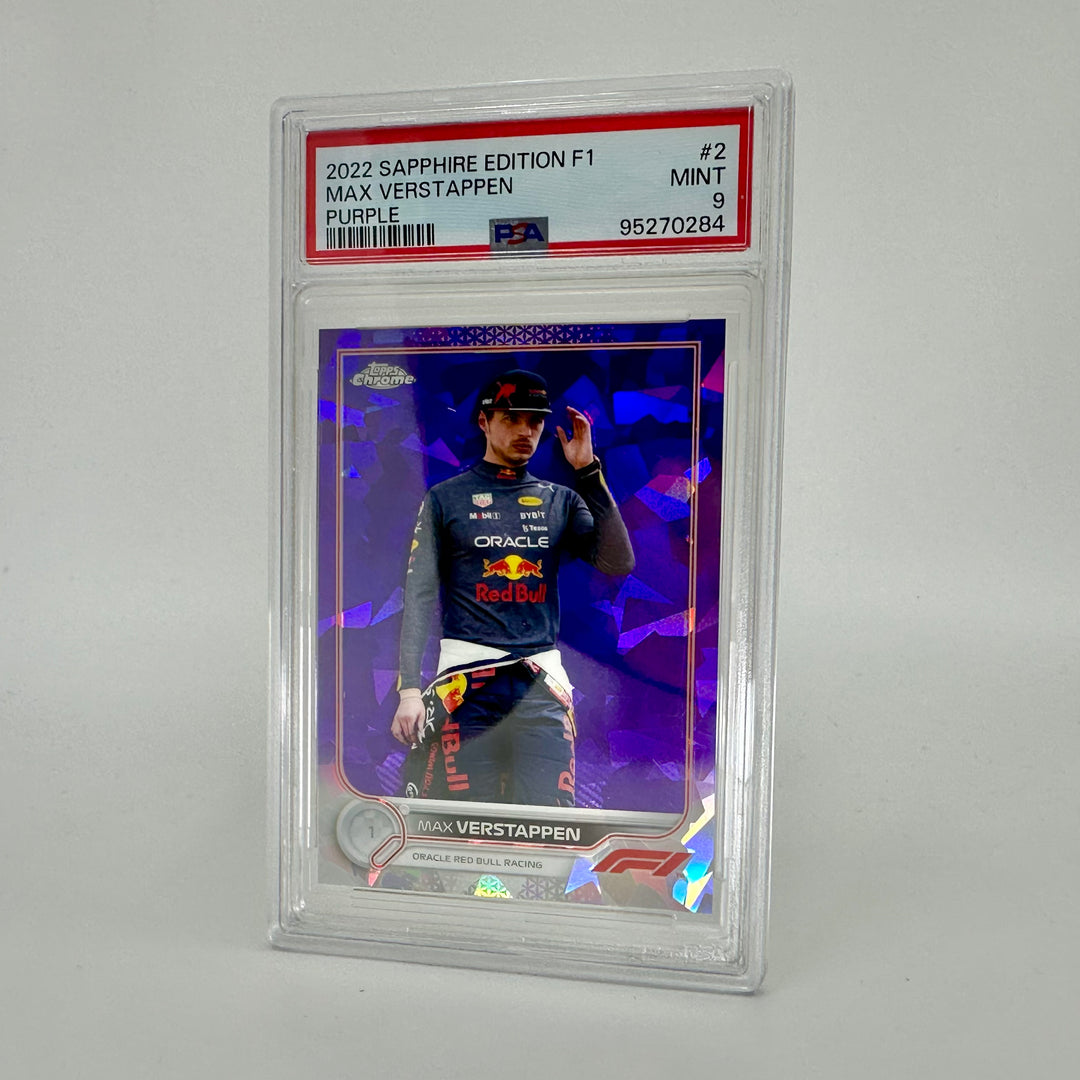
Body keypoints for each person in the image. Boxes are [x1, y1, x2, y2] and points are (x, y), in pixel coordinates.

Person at [391, 369, 635, 806]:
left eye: (535, 421)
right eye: (512, 418)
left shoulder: (561, 500)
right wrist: (409, 691)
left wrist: (587, 471)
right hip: (464, 687)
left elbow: (618, 563)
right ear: (484, 421)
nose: (526, 430)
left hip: (539, 687)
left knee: (547, 824)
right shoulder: (444, 498)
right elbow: (420, 595)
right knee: (464, 822)